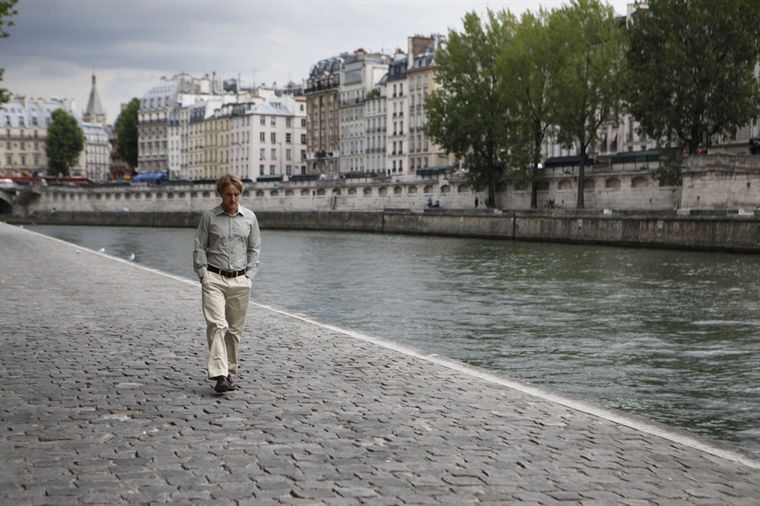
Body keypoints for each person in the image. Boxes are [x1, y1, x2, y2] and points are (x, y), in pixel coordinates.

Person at [193, 174, 261, 393]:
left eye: (236, 194)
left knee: (233, 331)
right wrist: (203, 274)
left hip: (240, 280)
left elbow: (254, 249)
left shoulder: (250, 218)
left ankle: (230, 373)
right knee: (217, 325)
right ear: (220, 195)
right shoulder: (209, 217)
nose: (233, 199)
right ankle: (219, 375)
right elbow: (200, 246)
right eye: (228, 195)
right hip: (214, 277)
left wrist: (249, 276)